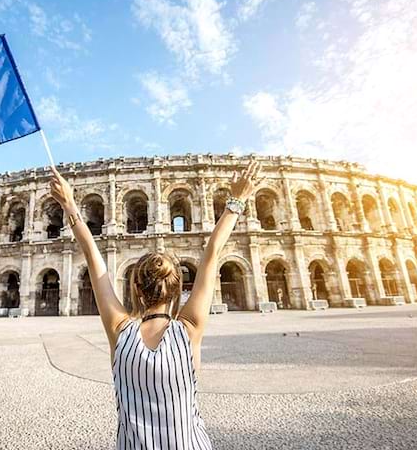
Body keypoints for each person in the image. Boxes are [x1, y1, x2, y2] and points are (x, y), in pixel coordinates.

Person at [49, 160, 262, 449]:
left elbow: (93, 258)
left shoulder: (119, 331)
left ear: (135, 287)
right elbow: (212, 252)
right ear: (178, 290)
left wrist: (69, 205)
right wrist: (238, 199)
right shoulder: (190, 330)